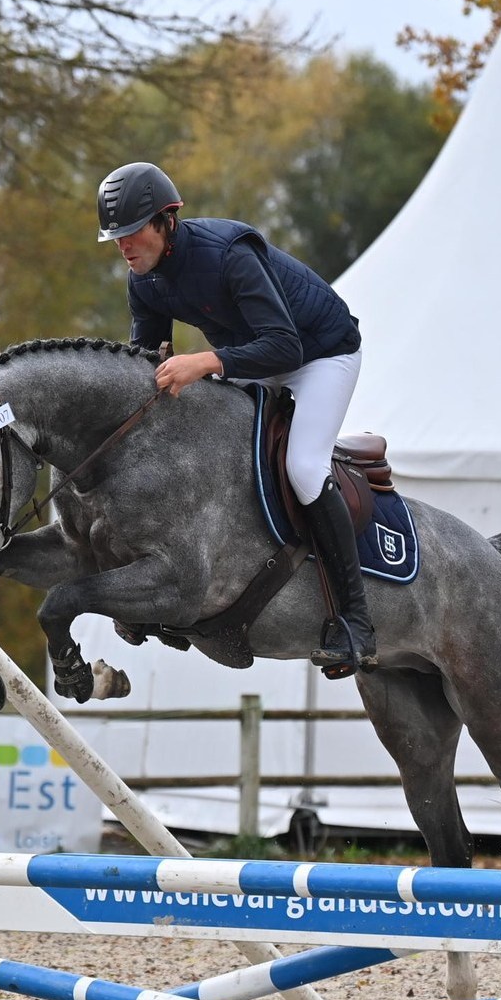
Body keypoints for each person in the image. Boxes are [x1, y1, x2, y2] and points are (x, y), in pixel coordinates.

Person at [96, 160, 378, 677]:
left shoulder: (228, 254)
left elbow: (285, 345)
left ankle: (356, 622)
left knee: (304, 468)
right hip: (254, 357)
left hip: (320, 354)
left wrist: (204, 362)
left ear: (167, 221)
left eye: (133, 232)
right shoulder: (144, 281)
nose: (124, 246)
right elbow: (147, 361)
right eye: (116, 237)